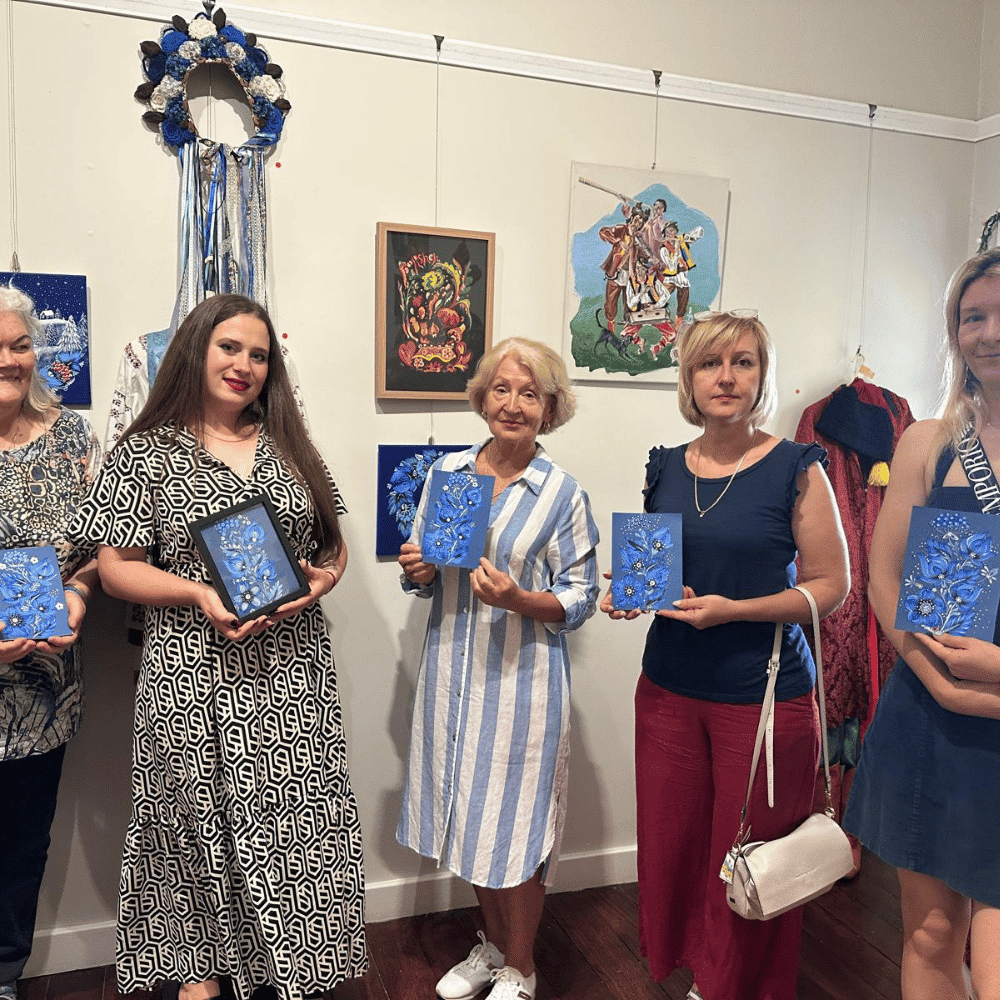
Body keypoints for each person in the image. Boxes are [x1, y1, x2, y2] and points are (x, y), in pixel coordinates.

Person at [71, 294, 366, 1000]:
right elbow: (115, 567)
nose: (244, 365)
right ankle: (202, 976)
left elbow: (333, 545)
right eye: (230, 348)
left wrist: (320, 583)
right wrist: (198, 594)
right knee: (192, 825)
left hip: (291, 673)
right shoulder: (145, 451)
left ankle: (283, 966)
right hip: (189, 670)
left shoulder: (292, 444)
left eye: (259, 354)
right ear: (196, 349)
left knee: (293, 823)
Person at [601, 310, 849, 1000]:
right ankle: (701, 977)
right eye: (711, 363)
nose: (727, 377)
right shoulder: (663, 467)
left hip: (764, 696)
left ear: (762, 376)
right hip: (669, 689)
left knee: (750, 861)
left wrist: (734, 611)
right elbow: (655, 575)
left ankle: (736, 986)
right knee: (676, 849)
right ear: (688, 377)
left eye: (743, 362)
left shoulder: (798, 468)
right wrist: (628, 595)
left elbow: (833, 587)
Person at [397, 337, 599, 1000]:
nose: (513, 404)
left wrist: (519, 598)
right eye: (502, 389)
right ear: (483, 396)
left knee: (515, 829)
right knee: (470, 820)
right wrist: (419, 570)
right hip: (452, 679)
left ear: (551, 407)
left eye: (530, 393)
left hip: (522, 686)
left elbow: (581, 595)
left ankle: (522, 966)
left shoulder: (562, 494)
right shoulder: (448, 475)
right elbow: (426, 576)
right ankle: (489, 948)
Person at [844, 251, 1000, 1000]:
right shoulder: (928, 444)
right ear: (955, 332)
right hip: (929, 722)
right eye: (975, 317)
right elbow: (883, 577)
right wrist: (934, 675)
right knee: (932, 936)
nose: (991, 334)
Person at [0, 286, 101, 1000]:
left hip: (40, 691)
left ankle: (4, 976)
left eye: (17, 343)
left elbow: (97, 550)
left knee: (18, 849)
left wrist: (78, 594)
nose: (8, 359)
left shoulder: (72, 438)